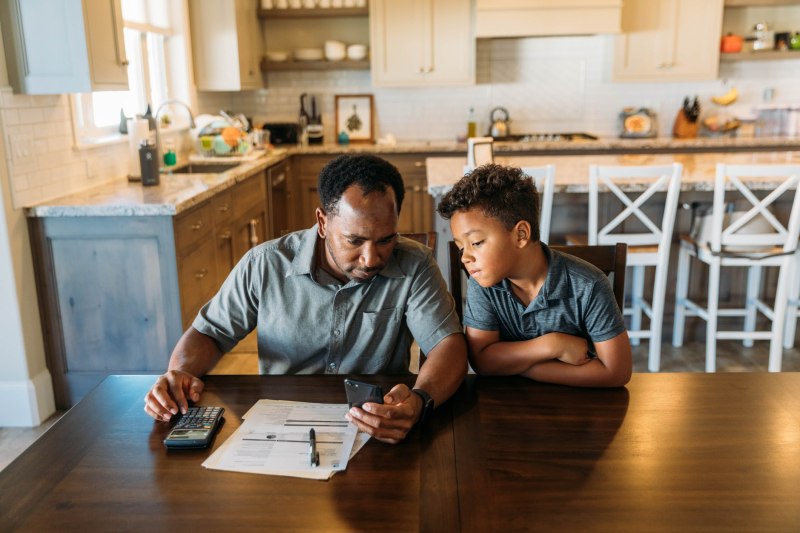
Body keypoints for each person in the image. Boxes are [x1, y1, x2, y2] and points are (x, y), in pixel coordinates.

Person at [144, 154, 468, 443]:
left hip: (375, 424)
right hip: (279, 424)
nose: (371, 258)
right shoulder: (264, 264)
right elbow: (209, 333)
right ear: (323, 222)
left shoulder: (415, 264)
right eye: (354, 240)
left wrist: (421, 398)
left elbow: (447, 345)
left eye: (385, 240)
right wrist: (179, 375)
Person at [436, 164, 632, 387]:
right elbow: (483, 361)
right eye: (462, 247)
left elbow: (617, 372)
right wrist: (553, 345)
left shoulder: (588, 285)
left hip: (579, 411)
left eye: (477, 243)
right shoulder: (483, 283)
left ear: (521, 234)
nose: (465, 258)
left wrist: (521, 367)